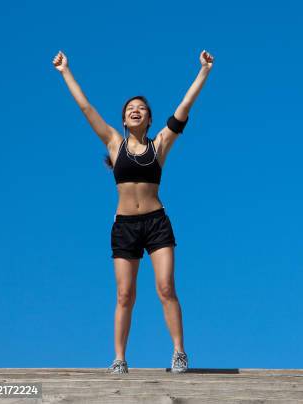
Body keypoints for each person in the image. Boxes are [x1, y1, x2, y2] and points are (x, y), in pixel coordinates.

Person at [52, 49, 214, 374]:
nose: (136, 111)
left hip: (156, 223)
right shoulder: (114, 142)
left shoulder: (160, 144)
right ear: (124, 119)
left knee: (166, 286)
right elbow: (86, 108)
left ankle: (179, 353)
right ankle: (119, 359)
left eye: (142, 109)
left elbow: (184, 107)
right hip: (125, 226)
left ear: (150, 119)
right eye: (130, 109)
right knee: (125, 294)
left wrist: (204, 72)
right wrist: (65, 71)